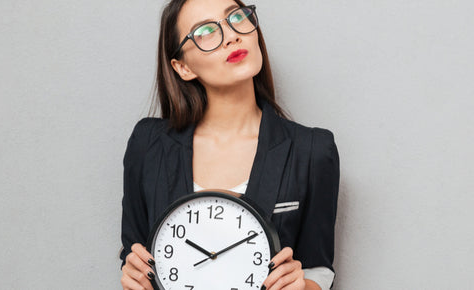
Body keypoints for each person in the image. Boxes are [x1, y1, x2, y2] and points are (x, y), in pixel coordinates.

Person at [118, 0, 340, 289]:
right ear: (182, 67)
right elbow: (134, 256)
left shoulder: (312, 151)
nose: (232, 35)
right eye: (207, 31)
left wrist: (301, 286)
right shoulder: (148, 144)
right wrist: (132, 274)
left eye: (237, 17)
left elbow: (319, 269)